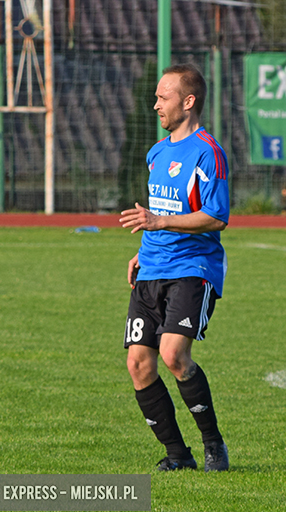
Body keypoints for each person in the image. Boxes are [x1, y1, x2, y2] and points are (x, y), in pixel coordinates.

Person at [119, 63, 230, 471]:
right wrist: (142, 252)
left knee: (173, 355)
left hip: (192, 269)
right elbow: (159, 214)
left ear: (188, 101)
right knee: (138, 363)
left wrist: (159, 221)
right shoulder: (157, 152)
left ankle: (213, 442)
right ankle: (177, 456)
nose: (155, 105)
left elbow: (216, 217)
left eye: (163, 98)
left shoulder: (208, 152)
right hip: (151, 269)